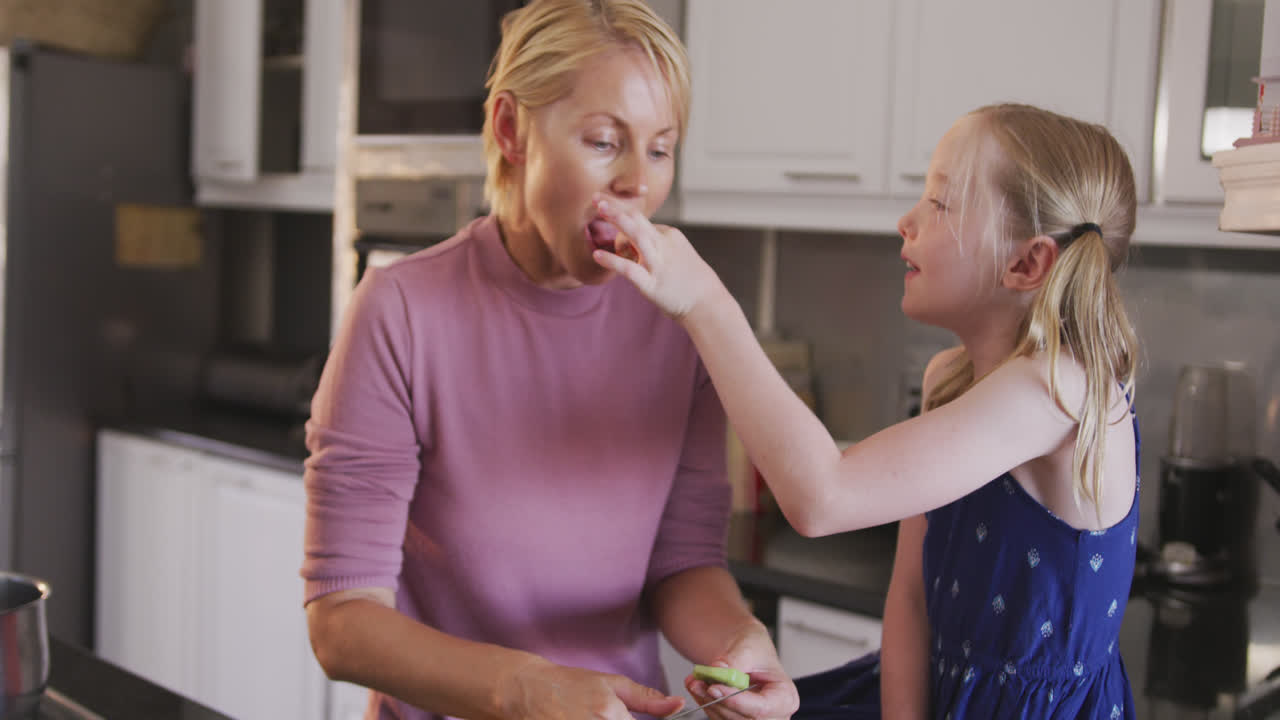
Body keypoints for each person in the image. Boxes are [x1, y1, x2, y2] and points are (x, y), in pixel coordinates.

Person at [300, 2, 799, 719]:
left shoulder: (681, 323)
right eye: (604, 141)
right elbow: (343, 622)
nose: (637, 182)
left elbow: (684, 561)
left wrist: (739, 642)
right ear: (511, 130)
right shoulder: (401, 311)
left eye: (661, 149)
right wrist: (525, 689)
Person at [593, 103, 1142, 719]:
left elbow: (822, 496)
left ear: (1026, 263)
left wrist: (704, 300)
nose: (907, 221)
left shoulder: (1060, 390)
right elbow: (910, 599)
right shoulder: (949, 379)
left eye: (939, 203)